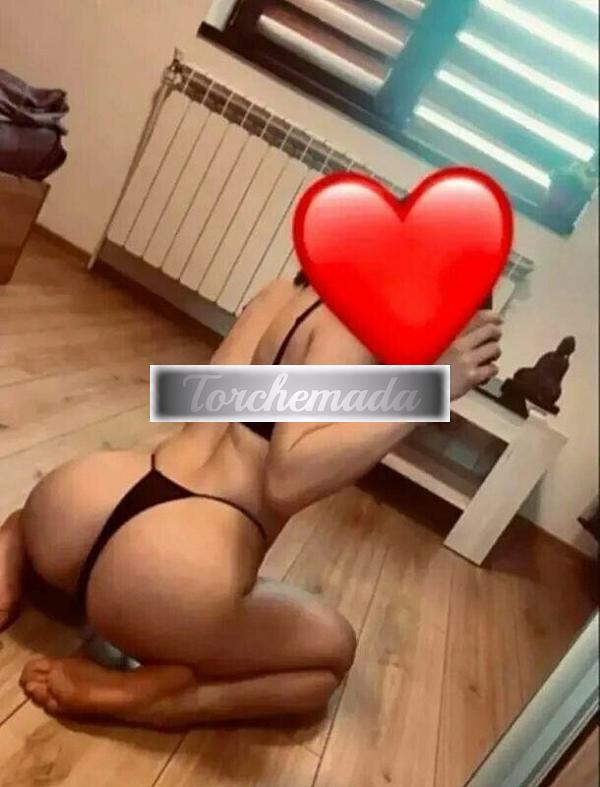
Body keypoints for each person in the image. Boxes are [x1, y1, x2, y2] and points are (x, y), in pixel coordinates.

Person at [0, 270, 502, 729]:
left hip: (79, 501)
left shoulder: (288, 292)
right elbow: (287, 480)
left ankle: (13, 547)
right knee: (330, 658)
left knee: (43, 519)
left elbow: (202, 399)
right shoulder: (357, 334)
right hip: (167, 568)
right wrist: (429, 391)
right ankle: (166, 702)